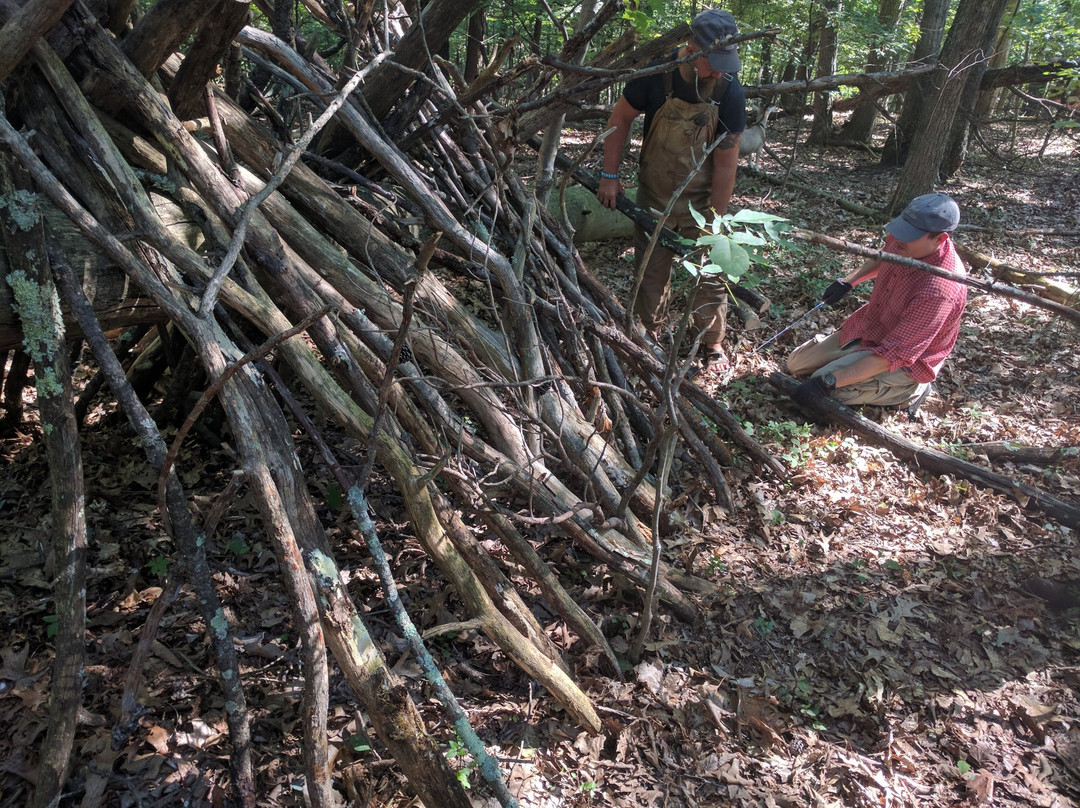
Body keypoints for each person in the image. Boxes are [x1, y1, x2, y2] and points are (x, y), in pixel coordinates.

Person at [596, 8, 746, 368]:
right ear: (691, 46)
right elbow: (619, 120)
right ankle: (648, 334)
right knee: (651, 269)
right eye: (712, 61)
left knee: (711, 272)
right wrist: (610, 175)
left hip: (703, 196)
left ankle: (711, 342)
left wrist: (718, 220)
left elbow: (727, 162)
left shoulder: (730, 89)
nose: (719, 70)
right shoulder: (655, 76)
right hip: (655, 193)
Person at [787, 193, 967, 409]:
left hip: (905, 361)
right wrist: (849, 282)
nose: (899, 238)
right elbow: (884, 255)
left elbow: (895, 354)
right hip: (874, 329)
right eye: (902, 229)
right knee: (796, 363)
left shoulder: (939, 290)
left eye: (910, 235)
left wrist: (826, 383)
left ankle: (910, 391)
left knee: (827, 388)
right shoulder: (904, 241)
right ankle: (852, 364)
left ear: (940, 239)